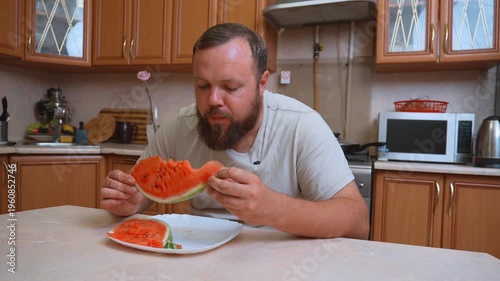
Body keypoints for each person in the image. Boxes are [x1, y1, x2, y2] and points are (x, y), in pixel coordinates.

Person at [100, 23, 369, 239]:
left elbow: (357, 221)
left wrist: (272, 208)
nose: (213, 100)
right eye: (203, 86)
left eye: (230, 87)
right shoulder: (181, 126)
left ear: (262, 82)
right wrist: (130, 201)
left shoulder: (302, 125)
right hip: (199, 259)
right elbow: (141, 192)